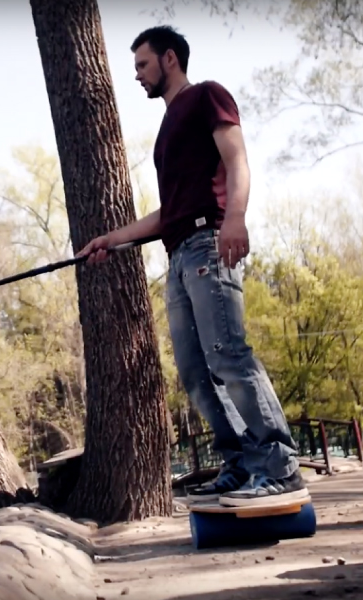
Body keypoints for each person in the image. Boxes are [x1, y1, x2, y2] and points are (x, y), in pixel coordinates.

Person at [76, 25, 308, 507]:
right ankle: (240, 463)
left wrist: (236, 218)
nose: (137, 75)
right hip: (179, 253)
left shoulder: (207, 96)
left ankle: (280, 466)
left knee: (228, 356)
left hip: (209, 242)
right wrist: (111, 239)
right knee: (195, 371)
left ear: (170, 59)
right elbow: (168, 213)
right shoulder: (165, 134)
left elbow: (237, 158)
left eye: (142, 64)